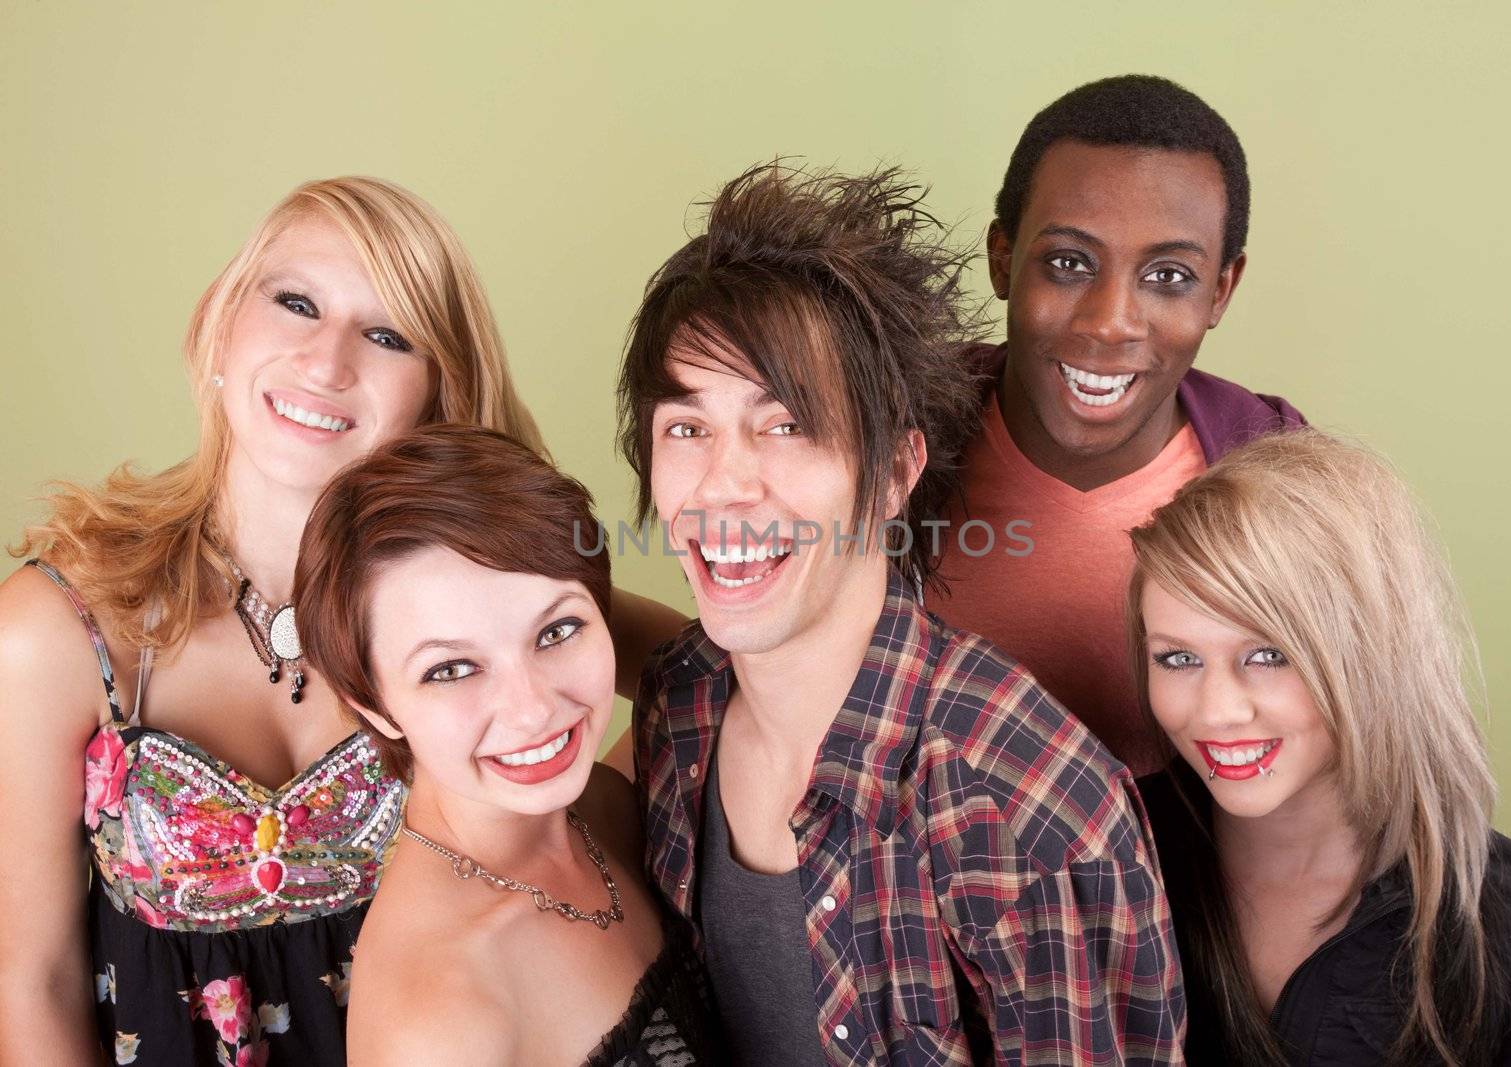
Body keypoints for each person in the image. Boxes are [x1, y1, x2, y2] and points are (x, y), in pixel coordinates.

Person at [0, 176, 683, 1065]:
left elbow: (698, 677)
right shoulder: (55, 629)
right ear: (219, 323)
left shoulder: (487, 587)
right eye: (295, 303)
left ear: (439, 392)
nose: (326, 362)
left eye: (388, 334)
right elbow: (29, 980)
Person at [617, 163, 1184, 1065]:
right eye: (687, 428)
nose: (722, 485)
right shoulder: (678, 708)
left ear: (892, 473)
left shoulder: (1031, 814)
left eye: (786, 424)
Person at [1128, 429, 1511, 1065]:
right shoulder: (1108, 858)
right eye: (1178, 658)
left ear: (1373, 652)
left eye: (1269, 655)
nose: (1217, 711)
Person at [293, 424, 716, 1066]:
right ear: (374, 706)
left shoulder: (605, 803)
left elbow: (723, 680)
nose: (533, 710)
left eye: (557, 630)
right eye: (452, 669)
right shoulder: (438, 1021)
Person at [925, 74, 1304, 776]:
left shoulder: (1282, 485)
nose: (1109, 322)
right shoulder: (885, 436)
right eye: (1068, 263)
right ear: (1003, 258)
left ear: (1221, 289)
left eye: (1168, 277)